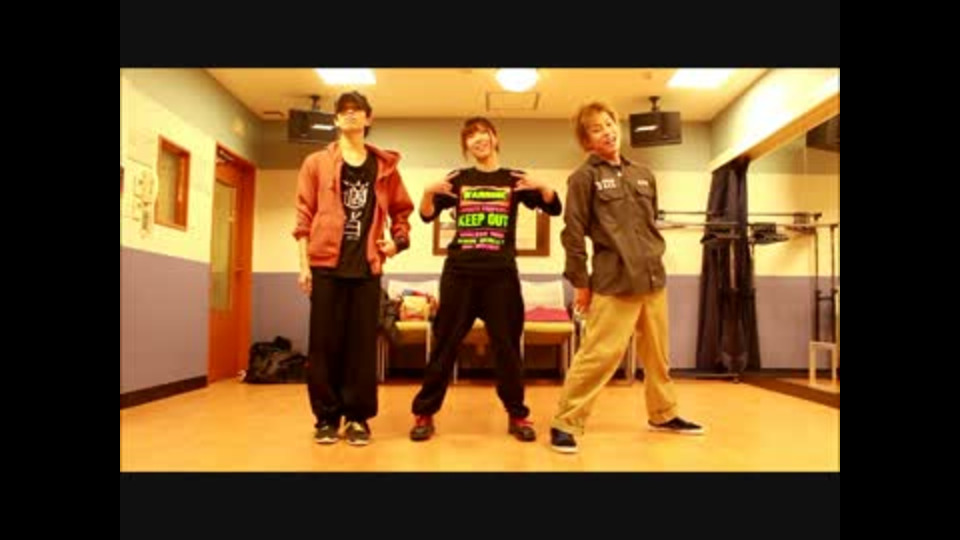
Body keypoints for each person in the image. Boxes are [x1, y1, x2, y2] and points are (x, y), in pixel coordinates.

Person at [550, 101, 704, 454]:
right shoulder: (583, 178)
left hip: (653, 279)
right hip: (614, 281)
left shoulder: (643, 174)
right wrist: (581, 284)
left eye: (609, 124)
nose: (607, 132)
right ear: (586, 141)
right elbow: (573, 234)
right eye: (596, 129)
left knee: (658, 356)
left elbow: (649, 225)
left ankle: (664, 414)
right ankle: (565, 422)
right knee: (598, 356)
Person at [410, 116, 562, 442]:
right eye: (471, 136)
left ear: (495, 138)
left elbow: (553, 209)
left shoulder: (514, 179)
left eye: (483, 133)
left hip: (500, 277)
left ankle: (517, 415)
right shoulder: (458, 179)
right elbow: (426, 215)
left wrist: (544, 186)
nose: (478, 139)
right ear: (466, 145)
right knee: (444, 345)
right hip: (459, 274)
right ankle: (424, 413)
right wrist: (426, 192)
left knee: (507, 347)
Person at [292, 91, 414, 446]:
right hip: (324, 267)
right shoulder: (316, 163)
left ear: (368, 118)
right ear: (335, 119)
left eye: (356, 110)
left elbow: (402, 211)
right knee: (324, 347)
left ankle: (358, 418)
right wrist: (304, 266)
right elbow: (303, 215)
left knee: (361, 348)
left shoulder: (384, 167)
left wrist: (397, 242)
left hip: (366, 269)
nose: (350, 115)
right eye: (343, 111)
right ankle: (326, 418)